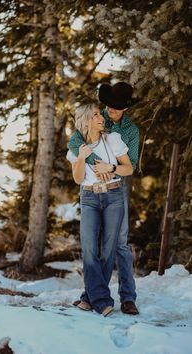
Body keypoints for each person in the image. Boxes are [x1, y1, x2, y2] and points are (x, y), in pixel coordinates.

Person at [68, 82, 139, 315]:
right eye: (104, 109)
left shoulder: (126, 133)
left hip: (115, 191)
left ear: (125, 109)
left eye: (115, 109)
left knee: (116, 245)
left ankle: (120, 297)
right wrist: (84, 159)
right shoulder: (87, 130)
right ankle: (98, 299)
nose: (108, 113)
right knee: (90, 246)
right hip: (90, 194)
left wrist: (111, 167)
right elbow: (76, 147)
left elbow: (130, 166)